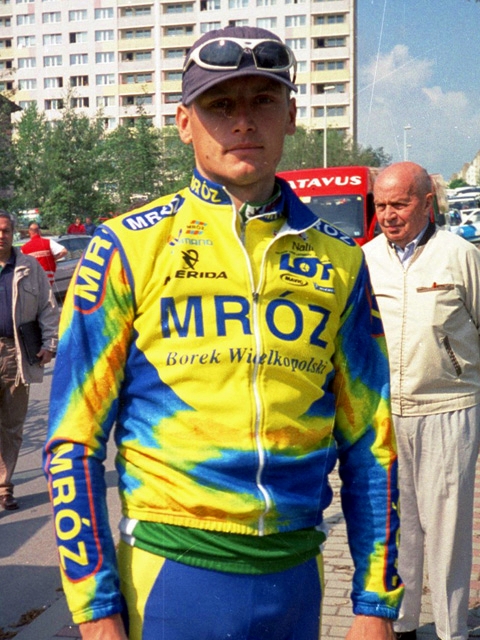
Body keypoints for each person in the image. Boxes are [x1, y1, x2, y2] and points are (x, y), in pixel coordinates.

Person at [44, 26, 403, 640]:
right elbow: (72, 441)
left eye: (263, 101)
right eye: (219, 105)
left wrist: (376, 604)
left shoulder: (342, 260)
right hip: (172, 573)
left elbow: (371, 438)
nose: (243, 121)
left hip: (296, 575)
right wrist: (95, 613)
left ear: (291, 115)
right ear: (185, 123)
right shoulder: (125, 247)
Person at [363, 161, 480, 640]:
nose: (388, 215)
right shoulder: (365, 259)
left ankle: (452, 631)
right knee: (398, 527)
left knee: (447, 529)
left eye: (399, 204)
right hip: (387, 413)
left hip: (448, 408)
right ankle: (403, 624)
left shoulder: (460, 255)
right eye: (381, 205)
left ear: (427, 202)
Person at [0, 211, 59, 511]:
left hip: (16, 354)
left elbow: (48, 308)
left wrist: (50, 344)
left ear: (14, 233)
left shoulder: (29, 266)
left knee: (11, 426)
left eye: (5, 230)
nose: (1, 236)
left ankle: (3, 487)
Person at [21, 221, 68, 286]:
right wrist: (53, 259)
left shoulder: (24, 248)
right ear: (39, 231)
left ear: (29, 232)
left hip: (33, 280)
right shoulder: (48, 242)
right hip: (48, 278)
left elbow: (20, 262)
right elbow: (64, 251)